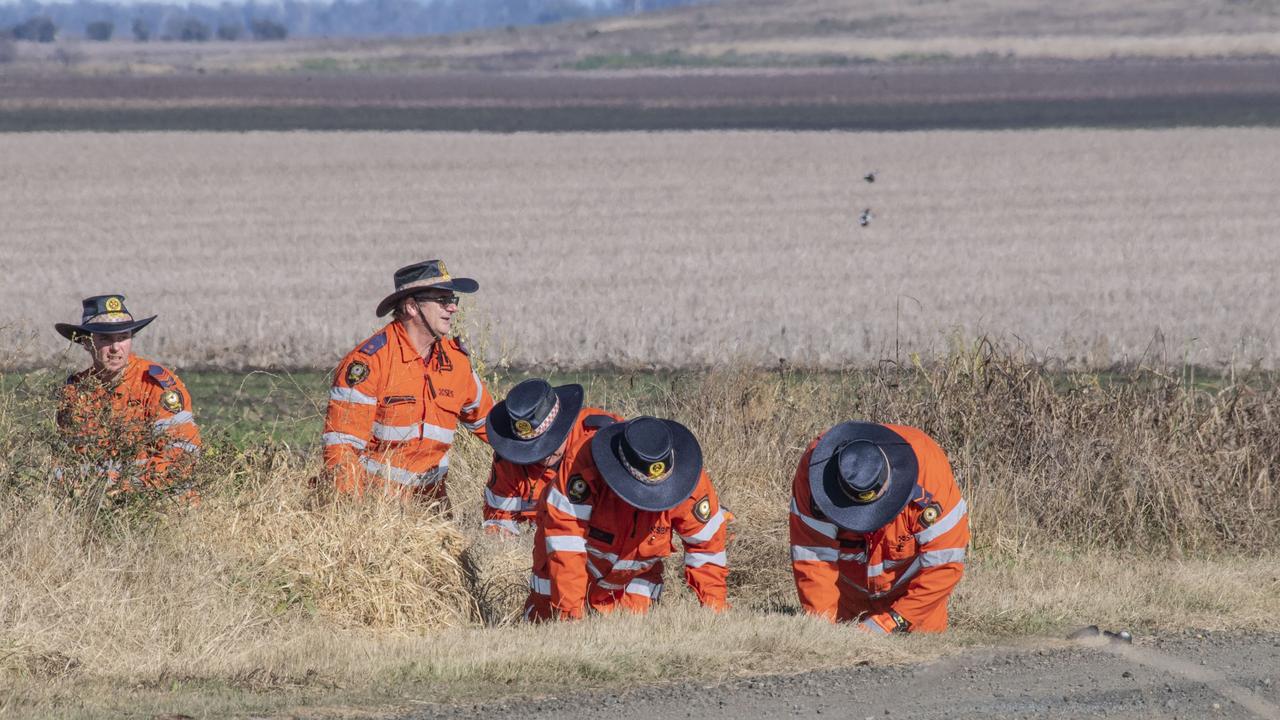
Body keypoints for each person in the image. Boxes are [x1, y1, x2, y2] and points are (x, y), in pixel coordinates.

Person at [525, 415, 728, 620]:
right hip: (569, 575)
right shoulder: (583, 462)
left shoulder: (689, 482)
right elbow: (565, 541)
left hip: (634, 583)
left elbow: (707, 549)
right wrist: (571, 615)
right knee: (550, 622)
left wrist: (715, 610)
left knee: (633, 640)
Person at [323, 259, 493, 504]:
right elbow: (342, 448)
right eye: (442, 300)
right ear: (412, 307)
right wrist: (355, 517)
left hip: (432, 510)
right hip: (376, 509)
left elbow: (493, 425)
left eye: (452, 300)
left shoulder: (456, 363)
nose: (453, 308)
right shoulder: (369, 364)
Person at [789, 421, 969, 633]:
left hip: (915, 610)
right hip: (846, 610)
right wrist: (824, 632)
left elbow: (944, 564)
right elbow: (812, 558)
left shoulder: (928, 469)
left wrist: (896, 621)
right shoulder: (815, 471)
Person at [54, 294, 201, 496]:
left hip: (157, 503)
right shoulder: (75, 390)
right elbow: (64, 460)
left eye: (123, 337)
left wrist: (125, 488)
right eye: (105, 338)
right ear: (86, 343)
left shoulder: (156, 384)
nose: (115, 348)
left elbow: (183, 454)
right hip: (93, 507)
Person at [484, 378, 622, 536]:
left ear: (564, 425)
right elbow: (497, 521)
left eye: (548, 445)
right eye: (532, 449)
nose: (543, 455)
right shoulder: (508, 462)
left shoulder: (603, 438)